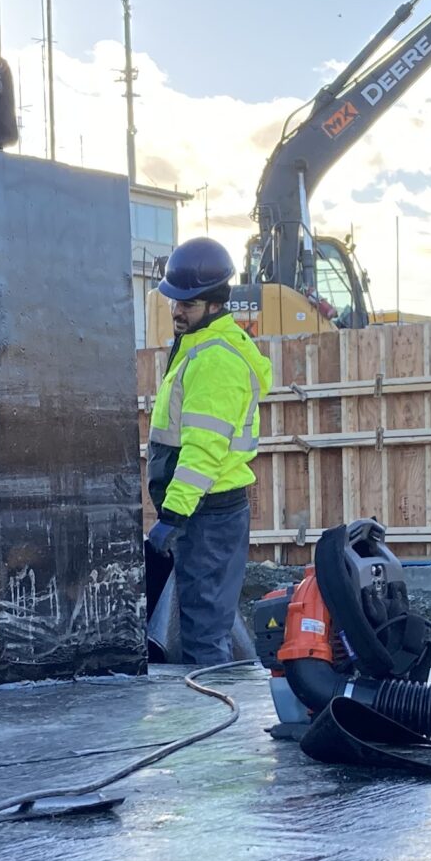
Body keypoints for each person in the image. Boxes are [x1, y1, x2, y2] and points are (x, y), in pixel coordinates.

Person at [145, 236, 271, 666]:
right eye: (173, 302)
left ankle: (216, 727)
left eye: (189, 304)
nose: (177, 311)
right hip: (205, 515)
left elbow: (203, 452)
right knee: (203, 623)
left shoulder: (215, 361)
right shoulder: (198, 347)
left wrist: (173, 516)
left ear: (215, 305)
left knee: (203, 634)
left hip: (207, 517)